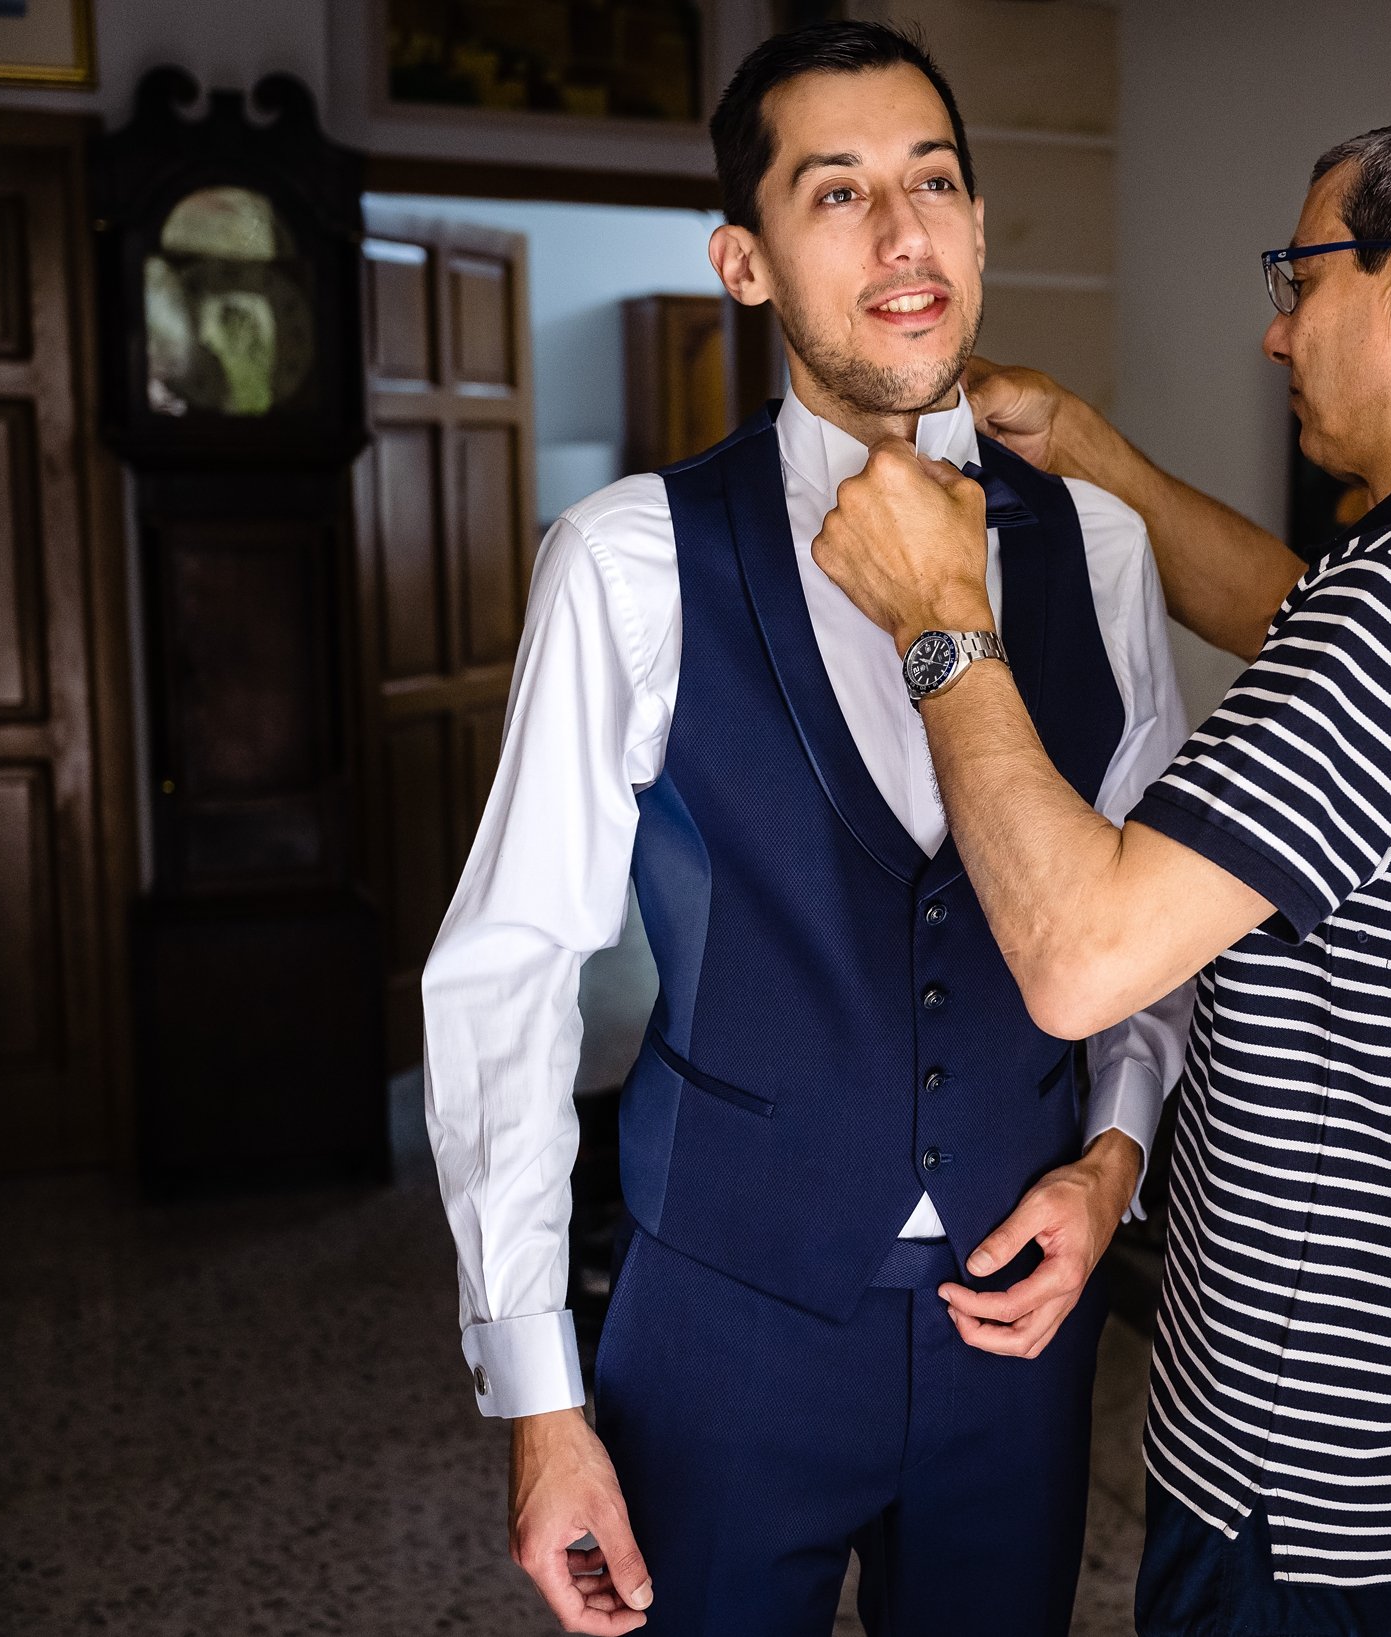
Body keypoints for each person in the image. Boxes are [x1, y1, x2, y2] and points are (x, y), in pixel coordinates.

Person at [813, 114, 1391, 1637]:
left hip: (1319, 1473)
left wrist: (942, 615)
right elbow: (1292, 610)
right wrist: (1081, 448)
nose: (1275, 330)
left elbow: (1081, 955)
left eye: (1300, 274)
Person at [419, 21, 1190, 1637]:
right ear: (745, 260)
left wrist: (1115, 1158)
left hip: (1015, 1345)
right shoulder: (627, 560)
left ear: (979, 230)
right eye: (835, 193)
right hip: (719, 1331)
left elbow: (1149, 909)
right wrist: (538, 1403)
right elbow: (507, 974)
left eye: (934, 183)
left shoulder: (1103, 550)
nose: (903, 235)